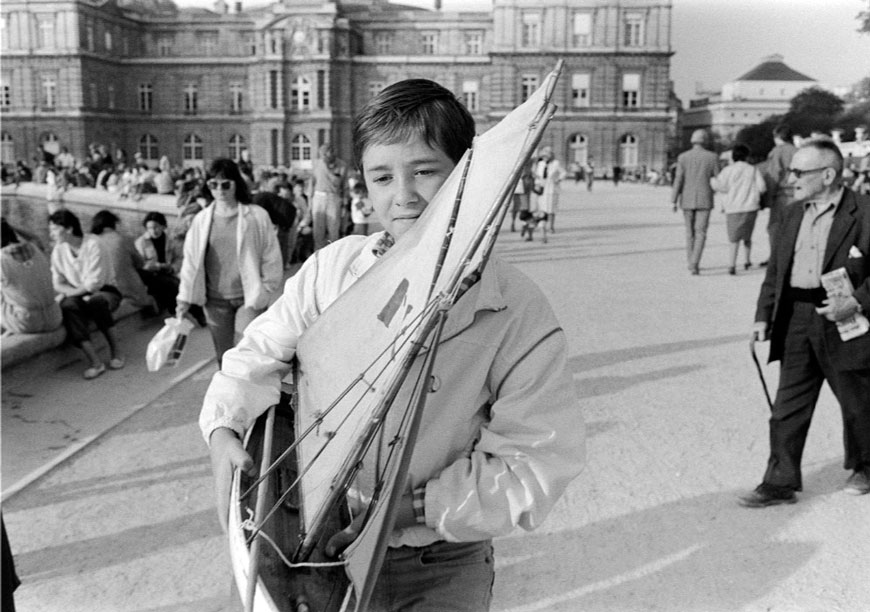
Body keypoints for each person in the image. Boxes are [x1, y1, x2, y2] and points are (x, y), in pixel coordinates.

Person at [199, 78, 585, 611]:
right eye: (382, 176)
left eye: (425, 171)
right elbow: (253, 359)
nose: (402, 195)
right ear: (364, 183)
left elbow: (537, 461)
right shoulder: (330, 272)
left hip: (443, 559)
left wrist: (409, 509)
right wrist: (224, 427)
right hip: (319, 551)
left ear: (467, 175)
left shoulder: (515, 307)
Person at [739, 139, 870, 507]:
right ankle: (779, 481)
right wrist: (762, 316)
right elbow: (776, 271)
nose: (789, 178)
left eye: (799, 172)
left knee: (857, 399)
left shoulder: (865, 212)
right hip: (796, 316)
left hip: (844, 317)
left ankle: (866, 465)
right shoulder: (791, 213)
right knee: (788, 403)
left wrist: (856, 302)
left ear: (827, 175)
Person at [176, 158, 282, 366]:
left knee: (247, 354)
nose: (220, 190)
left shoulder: (257, 216)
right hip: (215, 301)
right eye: (213, 185)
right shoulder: (201, 220)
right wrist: (184, 298)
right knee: (223, 357)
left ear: (236, 183)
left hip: (248, 297)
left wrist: (268, 288)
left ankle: (252, 396)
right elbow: (191, 262)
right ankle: (230, 397)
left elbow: (271, 255)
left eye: (225, 184)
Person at [48, 209, 126, 379]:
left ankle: (117, 351)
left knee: (96, 301)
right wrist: (75, 294)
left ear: (68, 229)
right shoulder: (58, 251)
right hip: (77, 293)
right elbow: (57, 282)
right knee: (68, 307)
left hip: (106, 291)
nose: (51, 234)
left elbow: (94, 283)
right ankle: (95, 362)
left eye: (54, 229)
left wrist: (76, 292)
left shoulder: (94, 244)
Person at [710, 143, 767, 275]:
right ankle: (747, 260)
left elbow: (721, 187)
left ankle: (732, 264)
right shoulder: (753, 169)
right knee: (747, 236)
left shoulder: (728, 170)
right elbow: (762, 187)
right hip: (750, 207)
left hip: (733, 208)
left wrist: (712, 180)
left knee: (733, 238)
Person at [1, 218, 63, 335]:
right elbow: (35, 238)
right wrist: (11, 226)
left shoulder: (2, 259)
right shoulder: (34, 248)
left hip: (26, 322)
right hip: (54, 317)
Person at [672, 129, 720, 275]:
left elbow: (678, 179)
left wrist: (674, 200)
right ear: (705, 140)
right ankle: (695, 263)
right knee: (701, 232)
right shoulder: (712, 157)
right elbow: (718, 177)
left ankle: (690, 261)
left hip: (686, 198)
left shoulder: (683, 157)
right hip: (705, 198)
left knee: (689, 232)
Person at [90, 210, 155, 312]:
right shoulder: (123, 239)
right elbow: (140, 263)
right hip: (126, 289)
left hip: (99, 288)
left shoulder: (90, 242)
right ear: (114, 223)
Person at [762, 124, 798, 263]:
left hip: (782, 195)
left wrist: (768, 198)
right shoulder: (798, 151)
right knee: (793, 227)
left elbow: (774, 175)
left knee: (775, 228)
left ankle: (776, 257)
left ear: (777, 137)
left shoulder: (777, 151)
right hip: (797, 194)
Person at [309, 143, 349, 250]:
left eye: (327, 154)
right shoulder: (316, 164)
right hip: (318, 198)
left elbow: (345, 186)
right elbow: (311, 183)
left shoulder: (342, 165)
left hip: (334, 198)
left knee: (333, 229)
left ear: (332, 153)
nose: (324, 157)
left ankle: (333, 254)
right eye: (322, 155)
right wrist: (310, 201)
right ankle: (317, 255)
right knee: (318, 230)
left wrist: (345, 205)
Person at [252, 181, 296, 269]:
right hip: (284, 216)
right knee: (282, 242)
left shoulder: (259, 199)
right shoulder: (264, 197)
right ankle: (282, 264)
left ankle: (280, 265)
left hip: (284, 217)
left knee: (281, 242)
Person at [533, 145, 564, 233]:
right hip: (542, 189)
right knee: (542, 208)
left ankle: (551, 226)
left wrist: (558, 179)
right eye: (544, 156)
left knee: (551, 209)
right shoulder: (540, 164)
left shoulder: (556, 163)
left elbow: (563, 172)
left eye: (547, 155)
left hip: (552, 188)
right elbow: (538, 176)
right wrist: (537, 183)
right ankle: (542, 226)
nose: (545, 157)